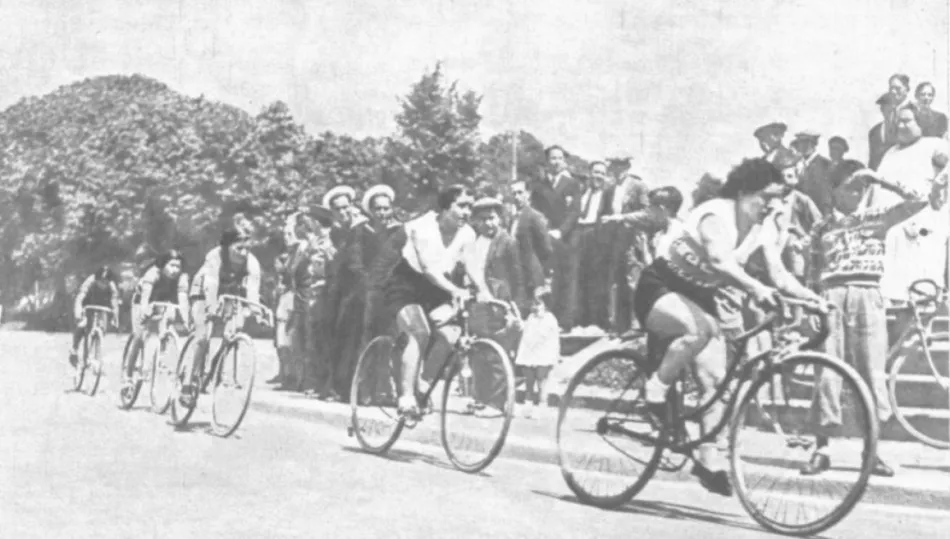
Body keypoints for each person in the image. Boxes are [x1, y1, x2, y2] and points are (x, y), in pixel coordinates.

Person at [633, 158, 827, 497]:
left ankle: (708, 460)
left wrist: (812, 299)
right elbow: (721, 260)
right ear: (742, 192)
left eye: (777, 198)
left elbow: (779, 275)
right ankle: (655, 389)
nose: (771, 206)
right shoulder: (715, 213)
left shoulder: (762, 226)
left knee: (715, 381)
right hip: (660, 288)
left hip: (699, 297)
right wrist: (755, 288)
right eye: (765, 197)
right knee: (700, 331)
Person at [804, 161, 940, 477]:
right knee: (827, 373)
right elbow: (812, 272)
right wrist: (812, 307)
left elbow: (919, 200)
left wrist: (880, 179)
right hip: (831, 298)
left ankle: (872, 451)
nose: (856, 194)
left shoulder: (876, 217)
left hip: (868, 296)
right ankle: (821, 449)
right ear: (834, 189)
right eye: (850, 187)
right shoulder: (821, 228)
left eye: (861, 189)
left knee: (871, 373)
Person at [382, 184, 477, 418]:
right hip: (407, 284)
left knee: (450, 335)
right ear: (445, 207)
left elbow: (474, 266)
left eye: (470, 207)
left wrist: (483, 291)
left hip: (438, 288)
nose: (467, 212)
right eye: (462, 206)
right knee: (419, 332)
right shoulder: (422, 227)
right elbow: (428, 269)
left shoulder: (468, 233)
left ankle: (423, 383)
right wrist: (455, 289)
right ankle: (405, 397)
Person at [181, 227, 262, 406]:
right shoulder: (215, 255)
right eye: (238, 248)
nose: (244, 252)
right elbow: (211, 283)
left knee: (231, 333)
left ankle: (213, 371)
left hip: (228, 293)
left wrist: (256, 310)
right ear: (227, 246)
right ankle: (186, 384)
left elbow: (253, 288)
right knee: (202, 336)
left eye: (247, 248)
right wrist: (211, 306)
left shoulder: (251, 262)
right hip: (203, 291)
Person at [123, 250, 189, 386]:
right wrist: (144, 312)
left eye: (178, 266)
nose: (175, 270)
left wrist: (186, 319)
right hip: (141, 301)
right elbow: (145, 298)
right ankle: (128, 376)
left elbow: (183, 301)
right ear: (163, 265)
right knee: (139, 336)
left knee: (167, 323)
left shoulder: (182, 278)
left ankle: (161, 355)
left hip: (163, 302)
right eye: (171, 265)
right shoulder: (153, 273)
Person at [69, 266, 120, 366]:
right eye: (100, 281)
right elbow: (80, 297)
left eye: (105, 282)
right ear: (96, 279)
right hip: (88, 305)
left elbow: (114, 303)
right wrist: (78, 311)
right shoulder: (90, 281)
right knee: (83, 325)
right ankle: (74, 349)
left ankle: (97, 357)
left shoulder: (112, 286)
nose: (103, 284)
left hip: (102, 307)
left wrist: (115, 317)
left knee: (103, 328)